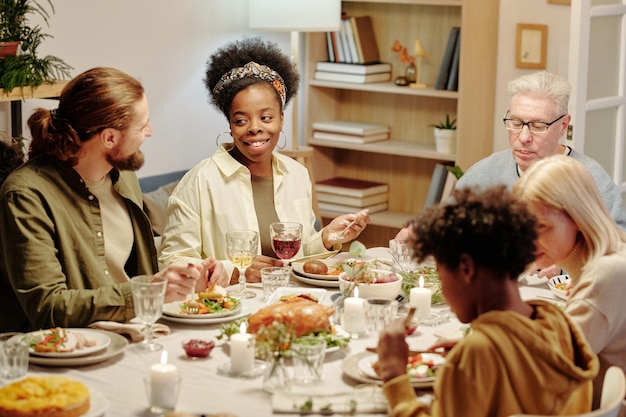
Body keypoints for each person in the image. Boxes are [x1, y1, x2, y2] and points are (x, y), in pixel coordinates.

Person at [0, 67, 227, 332]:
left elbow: (134, 273)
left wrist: (188, 278)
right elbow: (50, 308)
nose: (150, 132)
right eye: (142, 126)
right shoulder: (26, 195)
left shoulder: (122, 176)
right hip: (63, 354)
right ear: (109, 137)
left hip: (136, 333)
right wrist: (149, 292)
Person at [158, 37, 370, 284]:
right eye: (241, 120)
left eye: (266, 117)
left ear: (281, 118)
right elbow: (172, 262)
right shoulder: (199, 182)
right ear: (230, 125)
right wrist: (235, 271)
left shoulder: (297, 175)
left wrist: (327, 238)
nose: (254, 128)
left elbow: (295, 255)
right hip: (230, 310)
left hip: (291, 300)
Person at [376, 186, 598, 417]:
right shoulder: (556, 321)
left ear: (466, 268)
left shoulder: (477, 356)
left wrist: (395, 377)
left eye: (442, 276)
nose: (442, 288)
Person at [395, 71, 626, 277]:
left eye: (537, 126)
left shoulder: (592, 180)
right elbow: (452, 229)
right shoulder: (484, 173)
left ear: (563, 126)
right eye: (515, 122)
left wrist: (566, 266)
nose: (523, 137)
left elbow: (619, 256)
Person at [513, 154, 626, 409]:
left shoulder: (605, 275)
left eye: (541, 227)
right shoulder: (609, 258)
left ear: (576, 217)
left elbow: (548, 370)